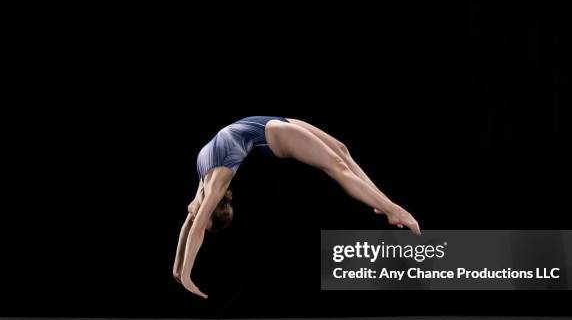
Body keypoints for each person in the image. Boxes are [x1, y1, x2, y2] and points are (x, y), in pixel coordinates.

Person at [173, 116, 421, 298]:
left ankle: (385, 205)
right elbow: (192, 226)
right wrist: (178, 269)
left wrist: (183, 273)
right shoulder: (204, 187)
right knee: (337, 161)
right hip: (267, 130)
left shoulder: (211, 186)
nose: (195, 217)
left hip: (270, 130)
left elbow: (194, 231)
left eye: (200, 219)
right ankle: (389, 207)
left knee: (340, 153)